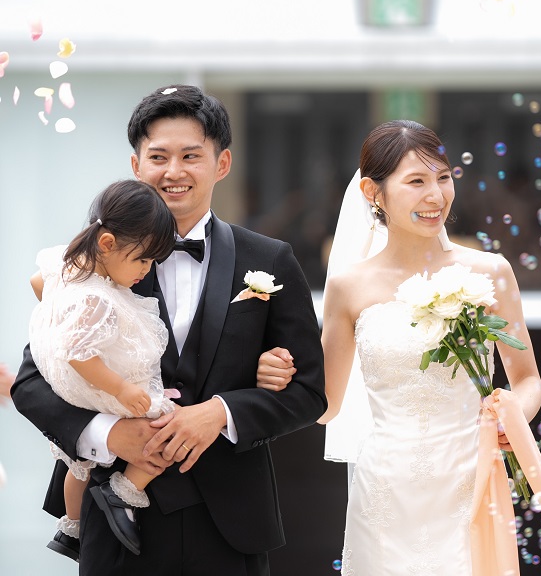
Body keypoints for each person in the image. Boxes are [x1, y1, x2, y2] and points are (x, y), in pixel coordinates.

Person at [12, 84, 326, 576]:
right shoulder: (97, 260)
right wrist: (111, 435)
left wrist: (220, 413)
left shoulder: (270, 259)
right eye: (158, 156)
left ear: (222, 163)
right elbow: (34, 380)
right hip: (115, 510)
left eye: (190, 156)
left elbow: (309, 392)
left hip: (231, 518)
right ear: (136, 166)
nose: (173, 171)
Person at [258, 120, 541, 575]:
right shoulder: (348, 286)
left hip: (470, 476)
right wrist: (278, 375)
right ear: (374, 193)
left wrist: (511, 413)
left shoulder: (490, 272)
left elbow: (528, 379)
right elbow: (327, 405)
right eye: (416, 181)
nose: (436, 196)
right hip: (385, 491)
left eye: (443, 178)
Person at [28, 179, 178, 560]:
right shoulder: (96, 299)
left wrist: (55, 309)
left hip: (66, 380)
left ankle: (72, 529)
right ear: (108, 244)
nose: (146, 269)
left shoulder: (68, 266)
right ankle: (124, 490)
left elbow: (37, 281)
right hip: (93, 386)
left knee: (77, 466)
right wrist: (122, 389)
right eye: (143, 260)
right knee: (168, 428)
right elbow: (80, 354)